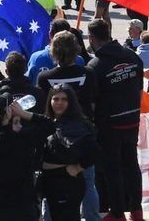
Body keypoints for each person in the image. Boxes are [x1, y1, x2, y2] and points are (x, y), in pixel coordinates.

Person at [87, 18, 144, 221]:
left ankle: (118, 213)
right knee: (131, 165)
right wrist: (134, 113)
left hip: (109, 125)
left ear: (92, 38)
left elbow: (92, 102)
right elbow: (139, 90)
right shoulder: (132, 56)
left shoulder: (94, 66)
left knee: (113, 169)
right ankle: (137, 211)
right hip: (132, 120)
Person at [0, 95, 54, 221]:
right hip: (23, 208)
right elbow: (50, 125)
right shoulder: (21, 139)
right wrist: (24, 114)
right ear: (6, 115)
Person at [41, 85, 98, 221]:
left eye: (64, 99)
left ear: (70, 102)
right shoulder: (47, 122)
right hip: (49, 184)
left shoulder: (79, 125)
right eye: (56, 99)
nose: (59, 103)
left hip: (68, 184)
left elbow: (94, 151)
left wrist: (79, 167)